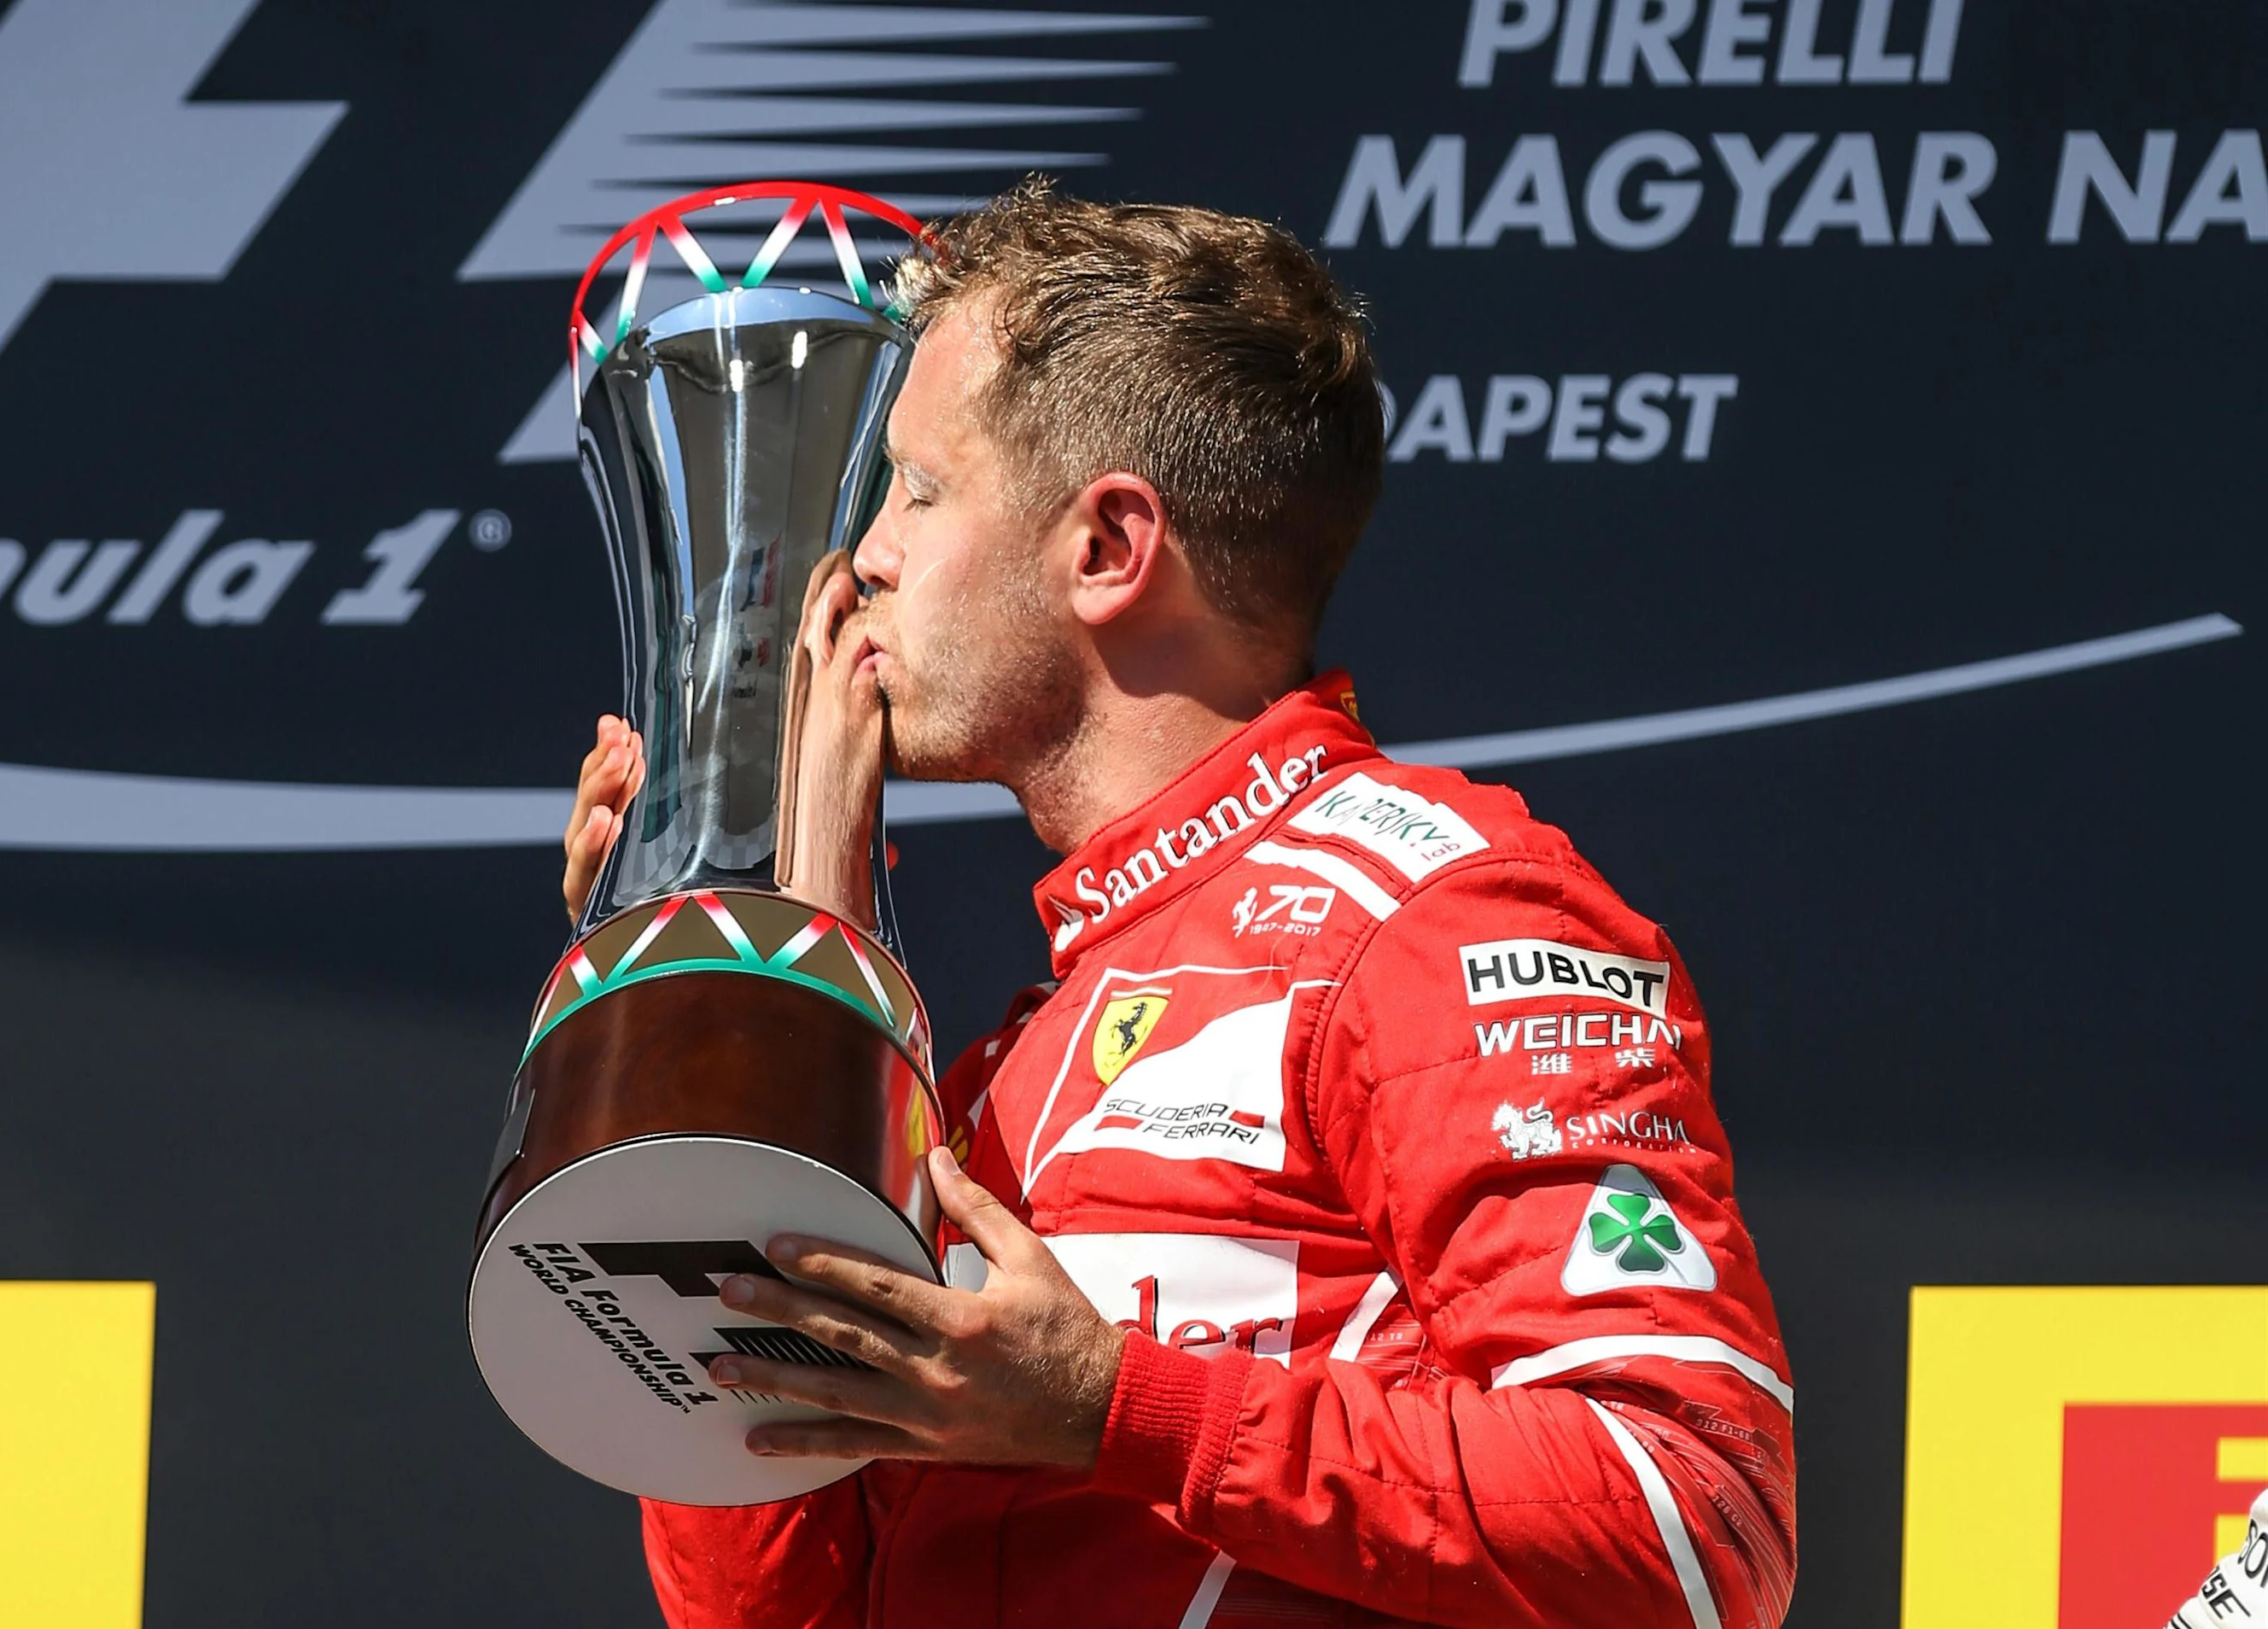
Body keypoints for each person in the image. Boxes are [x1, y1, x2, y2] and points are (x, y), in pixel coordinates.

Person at [558, 178, 1795, 1629]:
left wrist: (1115, 1406)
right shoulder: (1003, 1070)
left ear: (1107, 550)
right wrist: (764, 1035)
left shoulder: (1431, 911)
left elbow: (1688, 1515)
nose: (864, 554)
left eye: (918, 488)